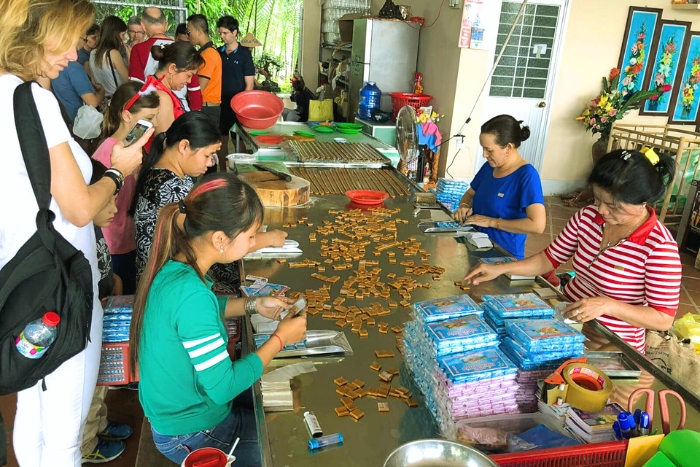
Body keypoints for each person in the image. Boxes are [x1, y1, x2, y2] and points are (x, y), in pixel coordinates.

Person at [0, 1, 152, 465]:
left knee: (32, 407)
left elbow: (34, 190)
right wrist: (116, 171)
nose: (74, 56)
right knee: (65, 435)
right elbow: (79, 207)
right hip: (61, 281)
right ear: (34, 35)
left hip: (21, 276)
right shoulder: (33, 99)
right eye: (67, 41)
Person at [130, 173, 307, 465]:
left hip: (182, 409)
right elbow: (223, 387)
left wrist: (253, 305)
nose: (254, 242)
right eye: (250, 236)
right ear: (220, 239)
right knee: (291, 448)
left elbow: (206, 309)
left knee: (282, 404)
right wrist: (280, 339)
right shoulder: (191, 295)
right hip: (192, 433)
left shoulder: (176, 266)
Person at [465, 149, 682, 353]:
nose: (602, 211)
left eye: (614, 206)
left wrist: (606, 305)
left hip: (613, 342)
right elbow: (549, 259)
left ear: (642, 202)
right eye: (598, 199)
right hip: (566, 321)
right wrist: (501, 268)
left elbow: (663, 318)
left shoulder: (659, 247)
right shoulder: (587, 217)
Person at [131, 112, 286, 294]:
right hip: (170, 285)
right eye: (208, 155)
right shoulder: (169, 187)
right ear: (184, 146)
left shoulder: (174, 175)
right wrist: (267, 239)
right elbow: (210, 236)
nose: (210, 163)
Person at [81, 159, 132, 464]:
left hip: (102, 312)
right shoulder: (78, 232)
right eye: (108, 199)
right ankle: (86, 444)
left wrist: (112, 279)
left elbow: (102, 262)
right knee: (87, 388)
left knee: (100, 382)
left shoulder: (95, 227)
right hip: (87, 321)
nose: (114, 208)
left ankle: (99, 425)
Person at [93, 82, 160, 295]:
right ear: (127, 115)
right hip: (113, 244)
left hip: (127, 239)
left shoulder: (132, 147)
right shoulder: (108, 152)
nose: (154, 124)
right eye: (149, 118)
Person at [453, 115, 546, 261]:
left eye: (489, 150)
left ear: (508, 148)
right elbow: (470, 194)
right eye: (483, 149)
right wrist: (463, 206)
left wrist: (492, 222)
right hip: (475, 245)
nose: (484, 155)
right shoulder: (489, 167)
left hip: (503, 255)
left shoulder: (527, 176)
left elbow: (537, 225)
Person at [129, 7, 202, 112]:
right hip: (181, 110)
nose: (188, 79)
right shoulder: (184, 50)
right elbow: (194, 91)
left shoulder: (139, 49)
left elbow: (135, 88)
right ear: (166, 25)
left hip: (153, 110)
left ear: (143, 26)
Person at [145, 40, 204, 151]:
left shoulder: (153, 86)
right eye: (188, 75)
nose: (190, 81)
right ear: (172, 68)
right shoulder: (162, 98)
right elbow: (166, 147)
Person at [187, 14, 223, 171]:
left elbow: (199, 89)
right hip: (209, 108)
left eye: (189, 32)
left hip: (207, 109)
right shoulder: (208, 52)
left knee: (206, 154)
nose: (188, 36)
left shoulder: (208, 55)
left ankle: (210, 188)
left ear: (199, 31)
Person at [217, 16, 254, 157]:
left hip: (237, 105)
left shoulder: (245, 55)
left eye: (225, 33)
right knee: (221, 140)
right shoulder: (218, 53)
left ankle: (242, 172)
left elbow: (249, 84)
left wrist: (241, 107)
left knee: (237, 139)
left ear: (234, 32)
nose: (222, 36)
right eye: (220, 33)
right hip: (219, 103)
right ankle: (223, 172)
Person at [52, 49, 105, 123]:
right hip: (79, 121)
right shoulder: (73, 67)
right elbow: (93, 102)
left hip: (59, 119)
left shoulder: (50, 66)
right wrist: (102, 92)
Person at [86, 16, 129, 99]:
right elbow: (128, 80)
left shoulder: (93, 53)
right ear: (115, 34)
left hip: (103, 101)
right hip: (116, 100)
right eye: (123, 35)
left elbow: (94, 82)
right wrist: (130, 58)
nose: (124, 38)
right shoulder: (113, 54)